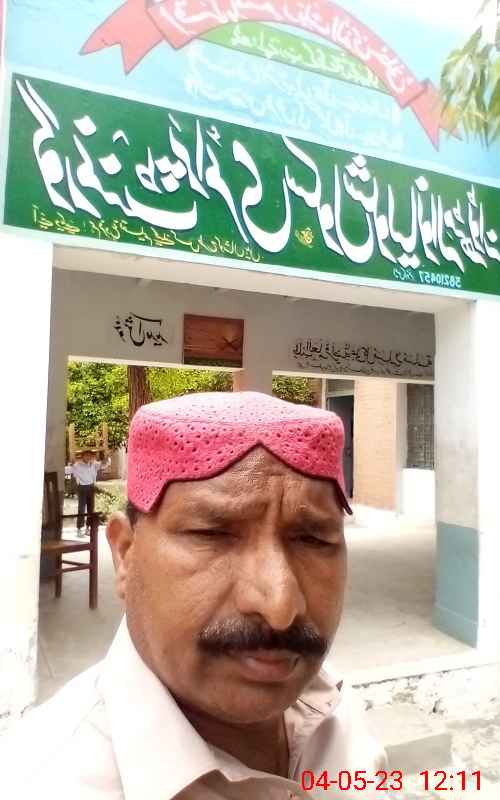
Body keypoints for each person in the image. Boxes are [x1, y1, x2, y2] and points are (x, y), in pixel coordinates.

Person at [2, 392, 385, 799]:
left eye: (313, 540)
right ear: (126, 554)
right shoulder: (38, 783)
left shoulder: (338, 714)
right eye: (212, 534)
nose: (280, 606)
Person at [71, 448, 110, 537]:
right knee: (81, 508)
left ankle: (88, 528)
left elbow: (103, 465)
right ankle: (79, 529)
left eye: (90, 455)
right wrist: (71, 464)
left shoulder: (94, 464)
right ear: (83, 456)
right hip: (82, 487)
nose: (88, 457)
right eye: (86, 455)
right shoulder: (77, 465)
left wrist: (107, 457)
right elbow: (70, 470)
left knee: (91, 509)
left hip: (91, 487)